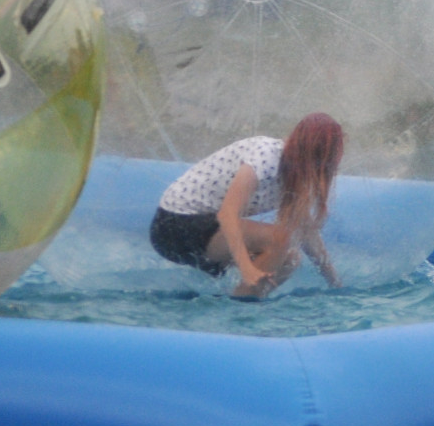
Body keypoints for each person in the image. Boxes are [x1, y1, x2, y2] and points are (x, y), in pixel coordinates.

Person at [148, 113, 345, 298]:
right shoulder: (267, 157)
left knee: (290, 259)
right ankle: (240, 311)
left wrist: (335, 285)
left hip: (205, 228)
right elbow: (227, 214)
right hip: (173, 226)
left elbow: (306, 231)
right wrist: (246, 267)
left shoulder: (296, 176)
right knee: (280, 240)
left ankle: (241, 304)